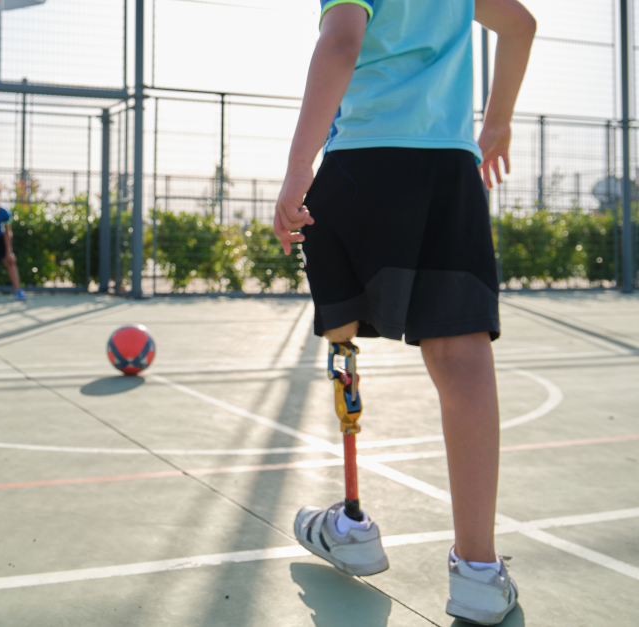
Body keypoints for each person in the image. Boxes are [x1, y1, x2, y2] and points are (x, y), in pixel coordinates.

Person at [274, 0, 535, 624]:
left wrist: (295, 167)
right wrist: (496, 121)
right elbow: (520, 25)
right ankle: (477, 570)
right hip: (448, 165)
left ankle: (353, 524)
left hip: (364, 158)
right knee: (462, 353)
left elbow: (341, 44)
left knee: (344, 335)